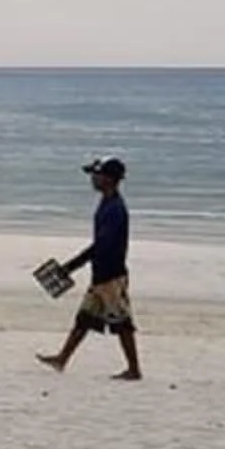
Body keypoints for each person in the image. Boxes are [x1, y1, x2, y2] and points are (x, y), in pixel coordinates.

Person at [42, 157, 142, 380]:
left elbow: (101, 246)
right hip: (102, 275)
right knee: (84, 319)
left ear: (109, 179)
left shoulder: (115, 209)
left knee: (122, 323)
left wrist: (70, 267)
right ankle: (61, 359)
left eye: (97, 175)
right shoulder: (107, 203)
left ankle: (134, 369)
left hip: (111, 276)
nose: (93, 179)